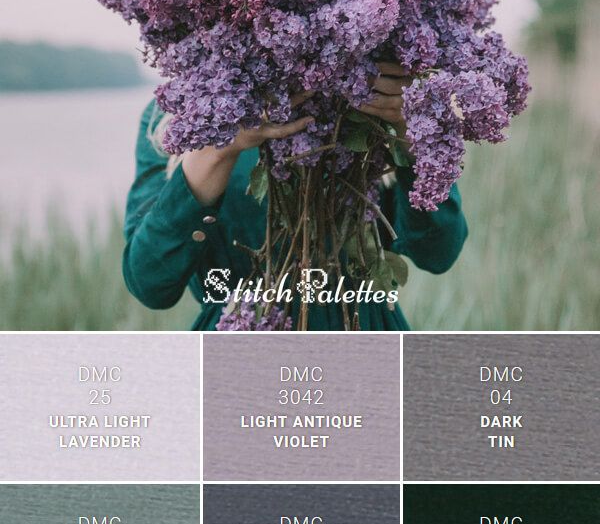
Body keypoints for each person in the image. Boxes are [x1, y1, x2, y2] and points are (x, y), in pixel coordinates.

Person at [123, 63, 468, 330]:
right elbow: (150, 284)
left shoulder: (369, 86)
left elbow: (438, 253)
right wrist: (217, 147)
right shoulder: (175, 113)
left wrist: (415, 128)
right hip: (237, 347)